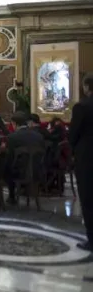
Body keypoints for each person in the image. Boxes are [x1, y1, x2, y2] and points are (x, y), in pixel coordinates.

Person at [70, 74, 93, 250]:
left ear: (87, 87)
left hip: (87, 157)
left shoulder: (82, 106)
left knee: (88, 198)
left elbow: (73, 134)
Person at [5, 112, 45, 204]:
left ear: (14, 123)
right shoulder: (39, 136)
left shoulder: (12, 137)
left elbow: (10, 157)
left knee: (6, 166)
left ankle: (11, 196)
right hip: (38, 170)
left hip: (19, 172)